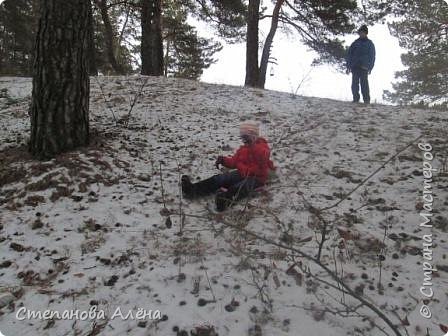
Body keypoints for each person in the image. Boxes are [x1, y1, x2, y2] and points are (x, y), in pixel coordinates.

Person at [181, 121, 275, 211]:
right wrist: (223, 160)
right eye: (242, 137)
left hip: (256, 178)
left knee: (240, 187)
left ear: (254, 136)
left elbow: (263, 156)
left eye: (246, 137)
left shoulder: (262, 147)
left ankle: (224, 201)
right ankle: (192, 190)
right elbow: (233, 162)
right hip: (241, 173)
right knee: (222, 178)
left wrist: (253, 145)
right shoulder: (243, 149)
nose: (244, 140)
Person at [346, 24, 376, 104]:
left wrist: (370, 67)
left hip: (364, 67)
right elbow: (349, 54)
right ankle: (356, 99)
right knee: (354, 84)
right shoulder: (355, 43)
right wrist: (348, 66)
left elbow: (372, 56)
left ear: (366, 33)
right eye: (360, 32)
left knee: (364, 84)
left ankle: (366, 100)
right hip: (355, 66)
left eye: (363, 32)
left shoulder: (370, 44)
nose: (361, 34)